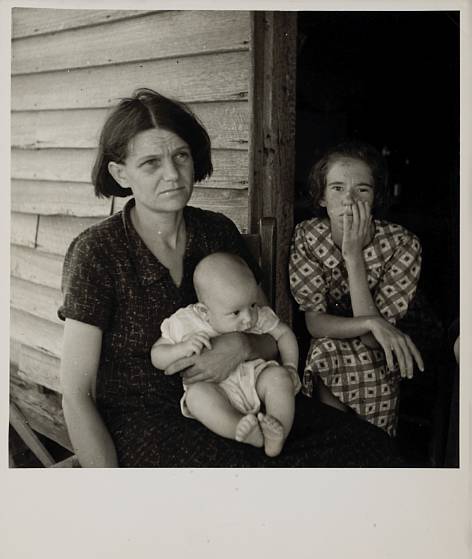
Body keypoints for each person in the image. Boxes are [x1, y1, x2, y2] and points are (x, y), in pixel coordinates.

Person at [59, 89, 404, 467]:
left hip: (245, 399)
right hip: (145, 421)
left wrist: (241, 346)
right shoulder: (98, 252)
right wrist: (106, 490)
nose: (172, 174)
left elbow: (269, 337)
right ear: (120, 173)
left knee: (373, 450)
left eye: (181, 156)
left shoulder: (215, 232)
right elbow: (76, 392)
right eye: (151, 163)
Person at [289, 141, 424, 435]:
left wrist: (353, 256)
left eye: (362, 189)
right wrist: (371, 323)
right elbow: (314, 322)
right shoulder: (308, 236)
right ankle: (333, 443)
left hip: (380, 354)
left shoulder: (403, 244)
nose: (349, 199)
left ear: (375, 198)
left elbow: (377, 342)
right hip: (331, 342)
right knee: (325, 349)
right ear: (322, 197)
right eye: (337, 188)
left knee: (373, 360)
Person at [151, 253, 300, 457]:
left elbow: (283, 334)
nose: (248, 318)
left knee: (279, 378)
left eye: (253, 305)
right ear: (205, 312)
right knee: (196, 397)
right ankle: (240, 429)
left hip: (256, 381)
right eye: (236, 313)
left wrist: (291, 367)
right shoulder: (185, 322)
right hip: (217, 392)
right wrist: (181, 349)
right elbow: (157, 355)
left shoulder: (255, 315)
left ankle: (277, 432)